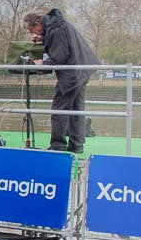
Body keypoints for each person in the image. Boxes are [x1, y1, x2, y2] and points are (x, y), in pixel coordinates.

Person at [24, 8, 99, 152]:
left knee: (59, 109)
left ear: (37, 24)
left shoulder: (55, 29)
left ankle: (58, 145)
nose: (32, 33)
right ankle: (77, 145)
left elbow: (59, 55)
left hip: (72, 74)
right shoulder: (59, 25)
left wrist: (42, 64)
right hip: (82, 69)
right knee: (77, 109)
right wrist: (42, 39)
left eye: (32, 30)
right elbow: (62, 46)